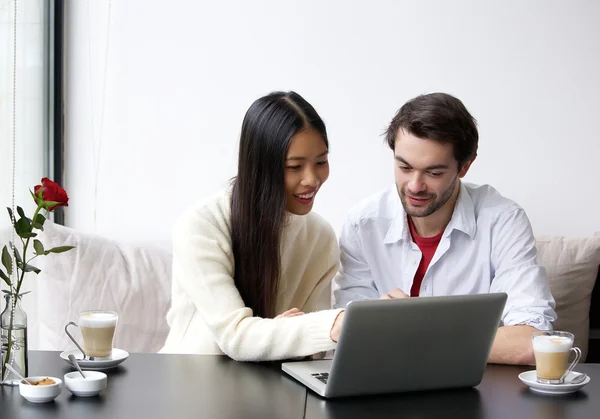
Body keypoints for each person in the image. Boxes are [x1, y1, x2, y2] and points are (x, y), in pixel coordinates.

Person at [332, 92, 556, 365]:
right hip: (384, 386)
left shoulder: (503, 221)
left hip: (475, 391)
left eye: (434, 172)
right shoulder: (363, 224)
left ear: (465, 166)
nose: (415, 186)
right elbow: (346, 335)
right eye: (404, 167)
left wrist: (414, 330)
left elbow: (531, 342)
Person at [161, 91, 344, 361]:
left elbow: (312, 351)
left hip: (276, 386)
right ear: (260, 167)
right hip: (193, 382)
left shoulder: (320, 237)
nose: (312, 179)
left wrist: (280, 336)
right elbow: (235, 336)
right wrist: (330, 325)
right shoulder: (201, 225)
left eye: (321, 162)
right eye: (294, 167)